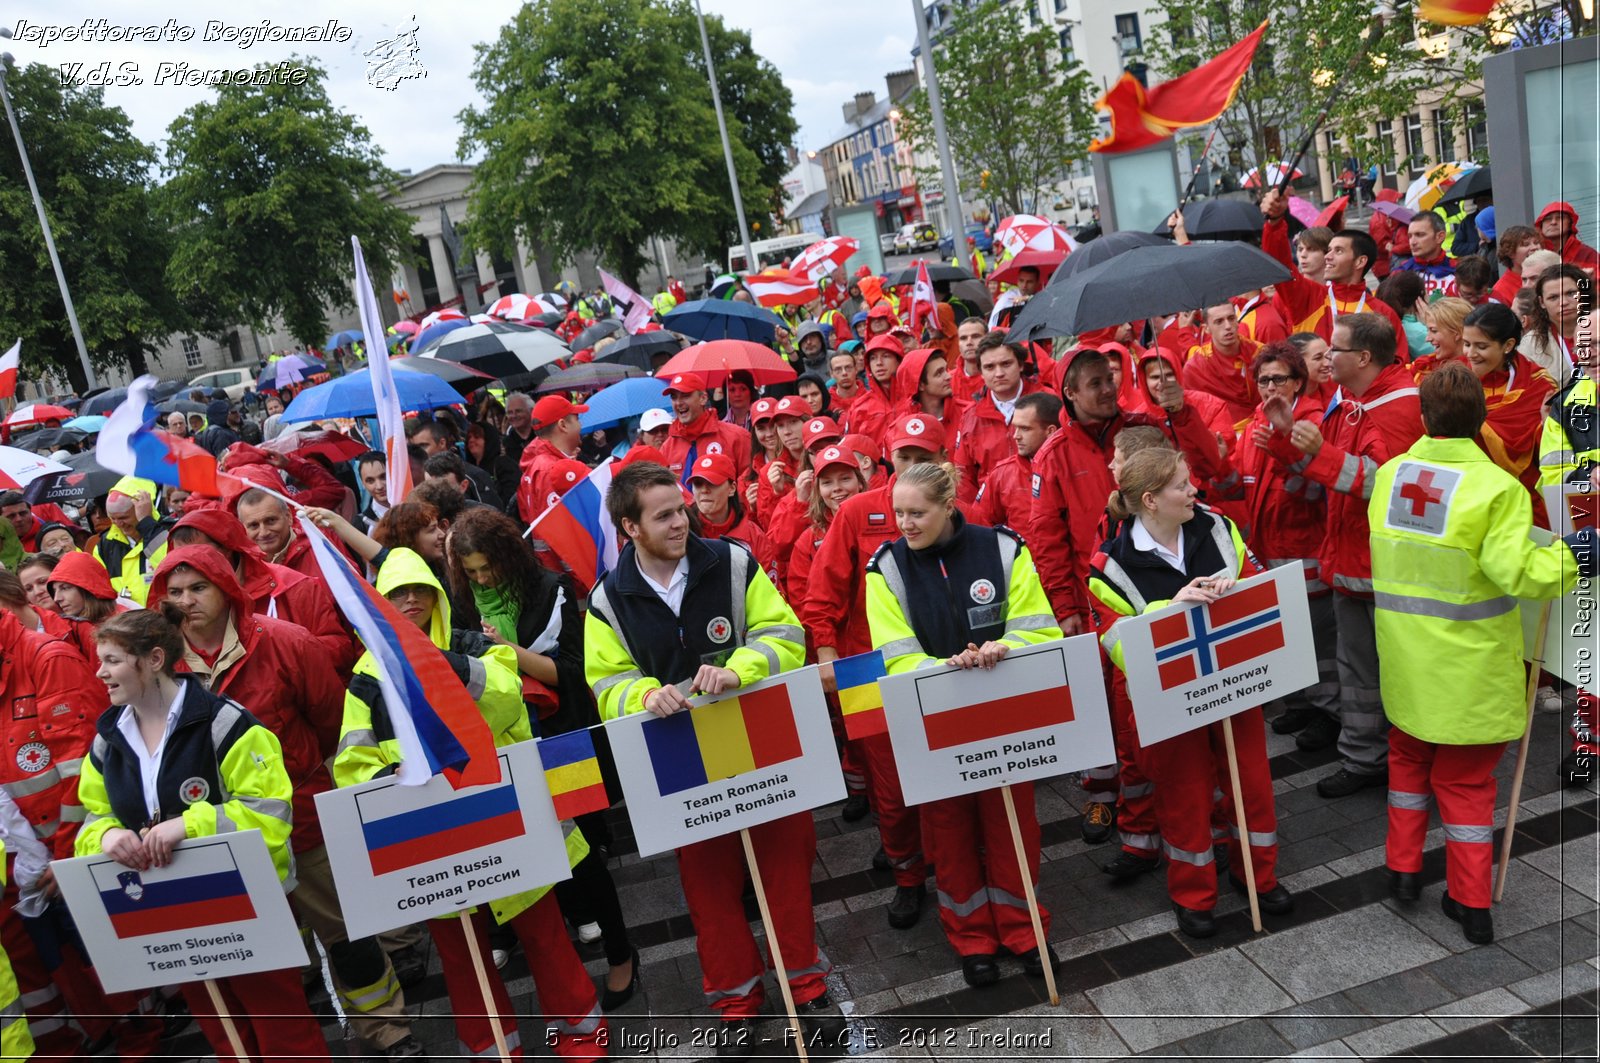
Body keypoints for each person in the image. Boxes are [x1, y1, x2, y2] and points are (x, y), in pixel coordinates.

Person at [585, 462, 840, 1056]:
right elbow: (605, 682)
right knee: (708, 886)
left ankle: (806, 986)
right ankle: (735, 1000)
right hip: (680, 759)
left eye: (682, 509)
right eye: (665, 514)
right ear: (630, 527)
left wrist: (738, 669)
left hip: (762, 740)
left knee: (784, 871)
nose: (683, 521)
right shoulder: (606, 599)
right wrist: (646, 694)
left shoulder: (732, 562)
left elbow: (785, 636)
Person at [149, 545, 424, 1058]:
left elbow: (330, 724)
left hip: (304, 819)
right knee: (264, 955)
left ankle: (389, 1033)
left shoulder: (285, 642)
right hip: (223, 840)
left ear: (227, 589)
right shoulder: (159, 665)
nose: (187, 601)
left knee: (350, 936)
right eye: (176, 592)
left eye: (198, 588)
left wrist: (304, 784)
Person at [336, 546, 608, 1060]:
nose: (409, 600)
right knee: (462, 960)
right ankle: (491, 1050)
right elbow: (351, 759)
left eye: (418, 589)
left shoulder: (474, 646)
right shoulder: (366, 677)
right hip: (429, 837)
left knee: (546, 937)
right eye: (396, 594)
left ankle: (583, 1042)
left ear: (437, 595)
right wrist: (380, 774)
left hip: (506, 822)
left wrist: (443, 664)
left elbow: (508, 697)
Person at [1371, 361, 1593, 945]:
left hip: (1405, 661)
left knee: (1409, 765)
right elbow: (1518, 571)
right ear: (1481, 419)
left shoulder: (1391, 476)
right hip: (1469, 670)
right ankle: (1471, 904)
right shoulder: (1496, 488)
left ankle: (1402, 872)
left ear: (1423, 417)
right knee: (1466, 783)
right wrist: (1577, 554)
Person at [76, 606, 332, 1061]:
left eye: (113, 660)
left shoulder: (227, 724)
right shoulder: (107, 739)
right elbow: (92, 815)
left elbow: (271, 813)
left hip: (246, 905)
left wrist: (188, 825)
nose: (100, 673)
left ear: (154, 659)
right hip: (168, 909)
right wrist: (105, 837)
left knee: (284, 1031)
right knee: (222, 1031)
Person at [864, 462, 1063, 983]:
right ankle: (970, 936)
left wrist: (1006, 647)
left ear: (949, 505)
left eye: (917, 512)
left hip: (1004, 708)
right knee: (948, 833)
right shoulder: (884, 569)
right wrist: (944, 669)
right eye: (898, 513)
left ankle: (1024, 930)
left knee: (1011, 825)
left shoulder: (1002, 548)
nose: (905, 524)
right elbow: (894, 653)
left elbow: (1039, 628)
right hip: (935, 716)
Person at [1089, 448, 1293, 938]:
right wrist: (1171, 609)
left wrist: (1235, 595)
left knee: (1252, 785)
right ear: (1150, 500)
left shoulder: (1218, 528)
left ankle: (1259, 878)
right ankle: (1193, 895)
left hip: (1234, 683)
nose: (1194, 491)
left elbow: (1256, 583)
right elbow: (1118, 646)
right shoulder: (1108, 566)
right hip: (1168, 700)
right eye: (1182, 485)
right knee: (1185, 797)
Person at [442, 508, 639, 1008]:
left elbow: (572, 674)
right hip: (500, 750)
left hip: (560, 736)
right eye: (472, 572)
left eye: (489, 568)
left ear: (510, 555)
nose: (482, 579)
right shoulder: (456, 604)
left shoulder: (550, 589)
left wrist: (504, 650)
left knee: (586, 852)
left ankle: (621, 954)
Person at [1256, 313, 1423, 798]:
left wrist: (1314, 450)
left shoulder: (1395, 409)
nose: (1327, 359)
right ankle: (1368, 754)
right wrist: (1289, 440)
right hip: (1354, 558)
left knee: (1371, 673)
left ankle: (1372, 758)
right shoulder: (1355, 402)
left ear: (1364, 358)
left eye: (1336, 350)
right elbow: (1329, 474)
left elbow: (1382, 486)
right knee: (1359, 672)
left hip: (1379, 567)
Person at [1238, 344, 1341, 746]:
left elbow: (1314, 490)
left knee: (1320, 645)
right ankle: (1301, 705)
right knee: (1291, 640)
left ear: (1298, 382)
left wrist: (1284, 441)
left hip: (1307, 556)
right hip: (1271, 555)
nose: (1269, 387)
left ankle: (1330, 714)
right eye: (1262, 380)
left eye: (1278, 378)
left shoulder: (1312, 420)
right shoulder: (1254, 424)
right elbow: (1237, 483)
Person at [784, 443, 873, 820]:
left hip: (880, 644)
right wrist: (824, 649)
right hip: (841, 652)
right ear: (817, 491)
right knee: (857, 731)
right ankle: (861, 793)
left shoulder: (885, 522)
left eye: (845, 479)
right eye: (828, 482)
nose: (838, 489)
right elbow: (807, 601)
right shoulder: (808, 541)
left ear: (861, 480)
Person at [166, 507, 356, 673]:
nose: (189, 562)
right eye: (179, 556)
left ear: (227, 549)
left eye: (198, 553)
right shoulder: (175, 602)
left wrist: (278, 653)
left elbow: (340, 652)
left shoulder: (294, 587)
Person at [1258, 188, 1410, 361]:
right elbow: (1279, 263)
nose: (1328, 256)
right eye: (1328, 250)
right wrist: (1275, 222)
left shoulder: (1383, 314)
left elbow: (1397, 366)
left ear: (1360, 261)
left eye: (1338, 251)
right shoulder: (1309, 297)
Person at [1460, 303, 1556, 512]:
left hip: (1526, 500)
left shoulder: (1539, 385)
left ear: (1508, 345)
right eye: (1466, 344)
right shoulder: (1453, 380)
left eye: (1481, 346)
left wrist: (1546, 425)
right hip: (1468, 497)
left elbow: (1550, 449)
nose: (1470, 353)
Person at [953, 337, 1040, 503]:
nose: (999, 373)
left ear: (1021, 365)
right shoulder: (970, 416)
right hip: (990, 515)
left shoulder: (1048, 403)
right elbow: (963, 476)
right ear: (981, 372)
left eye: (1006, 364)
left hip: (1040, 508)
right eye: (989, 367)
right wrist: (977, 518)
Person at [972, 392, 1060, 531]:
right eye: (1015, 427)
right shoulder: (1002, 474)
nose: (1016, 436)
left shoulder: (1075, 470)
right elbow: (979, 524)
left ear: (1050, 431)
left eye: (1025, 429)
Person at [658, 373, 753, 483]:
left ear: (703, 398)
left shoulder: (737, 437)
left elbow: (750, 483)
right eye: (674, 397)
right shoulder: (667, 447)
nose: (678, 403)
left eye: (685, 395)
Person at [1183, 302, 1264, 422]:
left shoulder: (1261, 354)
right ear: (1206, 329)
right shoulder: (1195, 368)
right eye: (1219, 321)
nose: (1227, 326)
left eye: (1231, 318)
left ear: (1237, 320)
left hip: (1263, 426)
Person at [93, 483, 169, 606]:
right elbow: (99, 589)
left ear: (143, 509)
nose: (118, 523)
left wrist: (147, 525)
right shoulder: (105, 544)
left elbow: (169, 565)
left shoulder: (169, 532)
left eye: (123, 517)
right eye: (112, 518)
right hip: (126, 621)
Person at [516, 396, 588, 523]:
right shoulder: (549, 470)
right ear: (563, 425)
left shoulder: (538, 464)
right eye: (577, 419)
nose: (580, 425)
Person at [1522, 263, 1589, 389]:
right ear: (1542, 302)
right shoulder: (1529, 346)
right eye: (1553, 297)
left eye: (1570, 293)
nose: (1563, 302)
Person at [1391, 212, 1458, 299]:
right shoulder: (1400, 272)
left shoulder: (1458, 270)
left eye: (1420, 235)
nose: (1413, 242)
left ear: (1440, 237)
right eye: (1410, 236)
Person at [1376, 271, 1433, 359]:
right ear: (1419, 300)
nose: (1428, 297)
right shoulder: (1418, 332)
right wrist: (1432, 324)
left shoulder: (1383, 323)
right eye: (1426, 293)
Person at [1490, 225, 1548, 306]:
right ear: (1510, 253)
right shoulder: (1501, 290)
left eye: (1536, 243)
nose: (1534, 247)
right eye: (1526, 244)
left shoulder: (1549, 275)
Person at [1537, 201, 1600, 271]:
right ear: (1541, 225)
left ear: (1570, 224)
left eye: (1560, 218)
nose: (1553, 222)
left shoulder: (1587, 254)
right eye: (1548, 219)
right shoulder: (1534, 252)